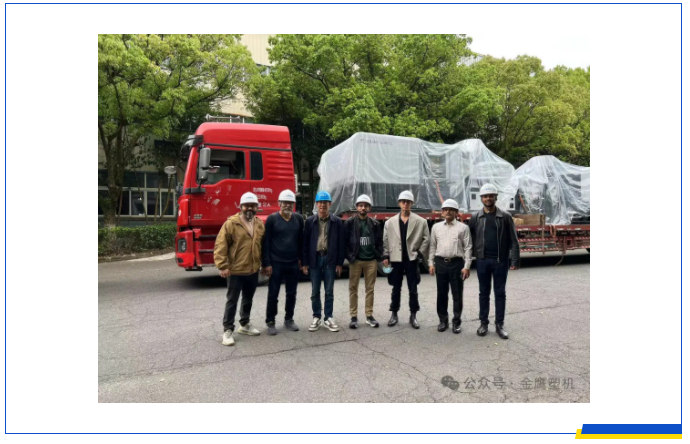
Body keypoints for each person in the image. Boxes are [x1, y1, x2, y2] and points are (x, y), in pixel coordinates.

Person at [468, 183, 520, 340]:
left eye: (491, 195)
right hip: (482, 261)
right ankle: (483, 323)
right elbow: (469, 240)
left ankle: (499, 324)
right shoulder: (476, 218)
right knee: (483, 293)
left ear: (496, 197)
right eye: (485, 196)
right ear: (481, 198)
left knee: (500, 293)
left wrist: (515, 260)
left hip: (500, 261)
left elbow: (514, 240)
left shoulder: (505, 217)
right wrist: (468, 261)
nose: (488, 198)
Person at [214, 192, 266, 346]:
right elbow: (221, 245)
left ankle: (244, 324)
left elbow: (262, 246)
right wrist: (223, 266)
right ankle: (227, 330)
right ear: (241, 206)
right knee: (232, 300)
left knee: (248, 299)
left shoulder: (259, 224)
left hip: (252, 269)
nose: (249, 208)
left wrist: (263, 264)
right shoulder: (231, 223)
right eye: (246, 206)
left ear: (257, 207)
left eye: (253, 206)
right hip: (235, 270)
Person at [382, 190, 430, 329]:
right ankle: (394, 313)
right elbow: (385, 240)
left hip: (411, 259)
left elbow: (426, 239)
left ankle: (413, 315)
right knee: (395, 288)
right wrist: (386, 255)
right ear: (399, 203)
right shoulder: (390, 222)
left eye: (408, 202)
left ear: (412, 203)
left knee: (413, 289)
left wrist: (419, 253)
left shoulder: (421, 221)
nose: (405, 204)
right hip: (395, 259)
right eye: (403, 202)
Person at [302, 191, 345, 332]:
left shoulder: (337, 222)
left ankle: (328, 317)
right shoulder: (310, 221)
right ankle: (316, 316)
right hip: (314, 259)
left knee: (329, 291)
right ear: (316, 204)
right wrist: (304, 263)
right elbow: (305, 243)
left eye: (325, 202)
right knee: (315, 291)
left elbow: (341, 244)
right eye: (320, 202)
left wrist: (339, 263)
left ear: (329, 204)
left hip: (330, 259)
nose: (322, 205)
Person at [262, 189, 304, 335]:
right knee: (273, 294)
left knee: (291, 293)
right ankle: (270, 321)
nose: (288, 205)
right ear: (279, 203)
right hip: (276, 263)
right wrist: (266, 263)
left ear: (294, 204)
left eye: (290, 203)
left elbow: (301, 241)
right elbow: (266, 242)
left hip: (293, 263)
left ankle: (289, 319)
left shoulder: (298, 219)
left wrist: (301, 259)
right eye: (285, 202)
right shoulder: (272, 219)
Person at [428, 199, 473, 334]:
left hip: (457, 264)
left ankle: (456, 322)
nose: (448, 212)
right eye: (445, 209)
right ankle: (443, 320)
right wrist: (430, 263)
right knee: (441, 293)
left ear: (456, 212)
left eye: (451, 209)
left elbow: (468, 248)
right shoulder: (436, 227)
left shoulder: (463, 228)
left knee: (457, 294)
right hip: (440, 263)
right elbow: (432, 246)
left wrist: (467, 266)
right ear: (442, 212)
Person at [344, 194, 383, 329]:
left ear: (369, 208)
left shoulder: (375, 224)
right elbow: (345, 242)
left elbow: (379, 242)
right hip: (356, 260)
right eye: (360, 205)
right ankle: (353, 316)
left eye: (366, 206)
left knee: (370, 289)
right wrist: (350, 257)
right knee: (353, 288)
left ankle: (369, 316)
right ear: (357, 207)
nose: (363, 208)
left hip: (371, 261)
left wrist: (378, 256)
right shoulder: (349, 223)